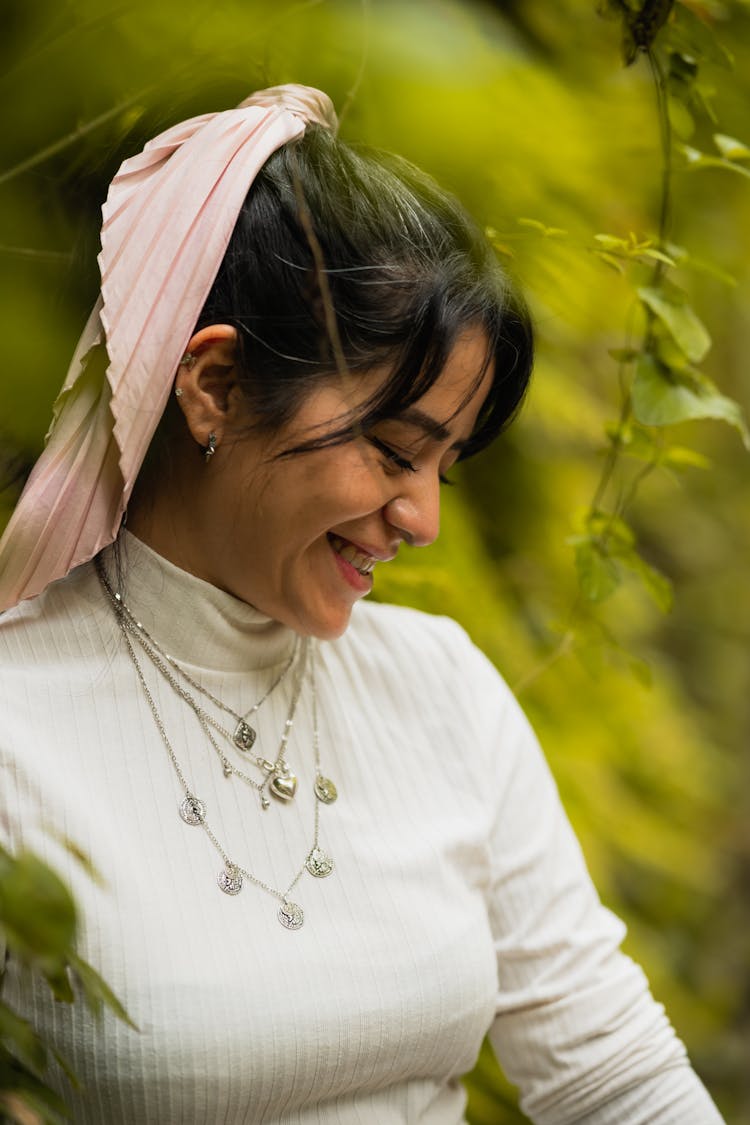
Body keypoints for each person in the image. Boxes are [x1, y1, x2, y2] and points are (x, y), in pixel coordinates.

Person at [0, 84, 723, 1124]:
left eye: (445, 468)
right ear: (218, 384)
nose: (422, 519)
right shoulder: (19, 726)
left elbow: (609, 1071)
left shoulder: (437, 688)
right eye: (392, 451)